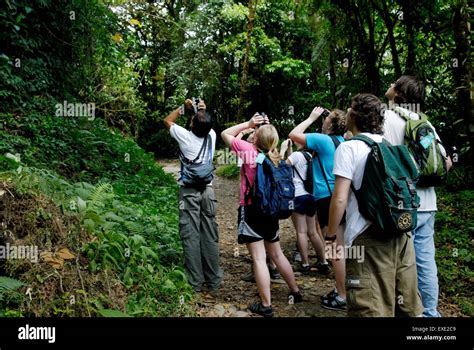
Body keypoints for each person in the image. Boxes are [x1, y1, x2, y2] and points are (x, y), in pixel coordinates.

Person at [327, 93, 423, 316]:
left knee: (369, 305)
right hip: (401, 233)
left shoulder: (348, 147)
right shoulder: (392, 146)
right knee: (406, 304)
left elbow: (339, 197)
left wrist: (331, 237)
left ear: (354, 115)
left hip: (367, 236)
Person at [383, 76, 452, 317]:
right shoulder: (425, 123)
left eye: (393, 83)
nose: (389, 85)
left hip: (403, 206)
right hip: (428, 204)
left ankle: (406, 311)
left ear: (399, 93)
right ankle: (430, 313)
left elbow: (384, 163)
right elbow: (446, 163)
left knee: (400, 263)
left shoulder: (387, 118)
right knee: (425, 261)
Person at [221, 113, 302, 317]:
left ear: (256, 138)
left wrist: (247, 124)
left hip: (251, 210)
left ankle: (266, 305)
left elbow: (225, 134)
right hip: (271, 211)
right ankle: (295, 291)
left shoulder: (248, 151)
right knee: (276, 253)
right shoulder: (276, 156)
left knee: (258, 258)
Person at [288, 107, 346, 311]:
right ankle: (347, 289)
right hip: (344, 196)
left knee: (334, 248)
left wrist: (311, 117)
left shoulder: (323, 140)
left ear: (330, 124)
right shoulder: (345, 141)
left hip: (326, 199)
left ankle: (341, 295)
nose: (323, 120)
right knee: (344, 247)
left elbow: (293, 135)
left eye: (326, 118)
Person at [163, 98, 223, 293]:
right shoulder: (212, 135)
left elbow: (167, 121)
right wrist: (200, 111)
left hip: (188, 191)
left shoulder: (185, 137)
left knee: (190, 234)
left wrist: (184, 108)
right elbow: (204, 124)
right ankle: (213, 281)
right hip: (208, 190)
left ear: (191, 124)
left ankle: (195, 282)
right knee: (209, 235)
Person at [279, 138, 329, 275]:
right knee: (312, 232)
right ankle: (323, 262)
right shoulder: (311, 157)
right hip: (311, 196)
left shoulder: (296, 156)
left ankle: (305, 264)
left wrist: (282, 151)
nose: (296, 141)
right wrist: (290, 151)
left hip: (297, 196)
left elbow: (282, 167)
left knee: (301, 231)